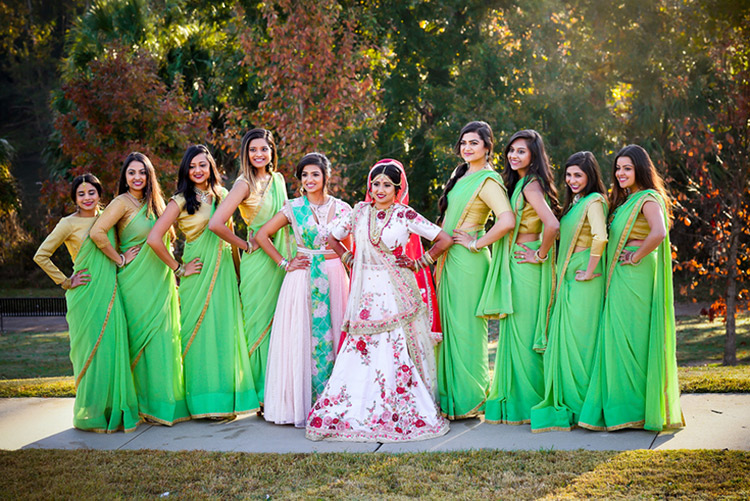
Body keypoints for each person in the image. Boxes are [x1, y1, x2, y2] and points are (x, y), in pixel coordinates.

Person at [306, 160, 452, 442]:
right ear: (369, 187)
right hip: (365, 294)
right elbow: (332, 238)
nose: (380, 189)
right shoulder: (359, 212)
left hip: (395, 292)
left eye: (387, 185)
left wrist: (420, 261)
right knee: (360, 350)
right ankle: (355, 409)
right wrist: (348, 258)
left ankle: (398, 412)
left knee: (394, 346)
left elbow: (443, 239)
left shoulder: (405, 214)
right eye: (376, 184)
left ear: (397, 189)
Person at [146, 145, 260, 419]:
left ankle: (222, 401)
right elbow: (154, 238)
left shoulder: (223, 195)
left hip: (223, 276)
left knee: (223, 334)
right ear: (186, 170)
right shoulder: (181, 200)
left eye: (203, 165)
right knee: (197, 337)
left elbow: (229, 235)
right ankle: (202, 404)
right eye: (192, 166)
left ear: (211, 167)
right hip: (198, 273)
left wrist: (238, 274)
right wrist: (178, 268)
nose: (198, 171)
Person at [578, 145, 684, 432]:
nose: (620, 173)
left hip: (634, 275)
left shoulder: (648, 198)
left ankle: (636, 409)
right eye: (618, 168)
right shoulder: (626, 200)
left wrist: (635, 256)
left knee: (632, 339)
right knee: (619, 339)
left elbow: (659, 232)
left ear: (640, 169)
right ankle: (624, 408)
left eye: (627, 168)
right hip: (621, 276)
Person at [34, 174, 140, 432]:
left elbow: (115, 246)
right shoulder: (67, 224)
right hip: (86, 294)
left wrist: (123, 258)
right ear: (74, 198)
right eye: (81, 194)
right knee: (90, 355)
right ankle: (90, 414)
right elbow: (41, 255)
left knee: (112, 351)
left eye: (91, 192)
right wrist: (66, 281)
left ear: (99, 194)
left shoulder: (108, 218)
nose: (87, 198)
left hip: (111, 292)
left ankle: (113, 410)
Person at [90, 152, 189, 425]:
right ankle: (139, 403)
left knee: (163, 340)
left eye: (142, 172)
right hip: (134, 281)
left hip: (161, 279)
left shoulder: (156, 203)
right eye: (131, 173)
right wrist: (119, 257)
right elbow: (97, 232)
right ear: (124, 176)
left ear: (149, 176)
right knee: (139, 342)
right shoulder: (121, 202)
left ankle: (162, 403)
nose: (137, 178)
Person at [255, 152, 351, 426]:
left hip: (334, 276)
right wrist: (285, 262)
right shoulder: (293, 208)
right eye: (304, 175)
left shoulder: (344, 209)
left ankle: (335, 402)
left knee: (337, 333)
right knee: (301, 337)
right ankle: (300, 406)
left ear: (326, 177)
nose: (309, 180)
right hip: (302, 278)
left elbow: (351, 248)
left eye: (315, 174)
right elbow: (262, 235)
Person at [434, 121, 516, 420]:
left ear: (487, 147)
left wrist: (476, 242)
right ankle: (449, 400)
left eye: (474, 143)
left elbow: (507, 220)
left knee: (467, 330)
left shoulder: (488, 180)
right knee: (448, 328)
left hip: (469, 262)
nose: (467, 148)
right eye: (463, 143)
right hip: (449, 258)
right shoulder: (461, 175)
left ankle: (470, 400)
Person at [209, 128, 292, 407]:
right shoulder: (244, 184)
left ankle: (279, 389)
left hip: (283, 259)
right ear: (246, 153)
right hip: (258, 265)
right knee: (258, 327)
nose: (259, 154)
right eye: (253, 149)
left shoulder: (278, 180)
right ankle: (260, 394)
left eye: (264, 149)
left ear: (272, 151)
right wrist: (244, 245)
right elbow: (216, 223)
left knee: (281, 324)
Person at [485, 129, 560, 425]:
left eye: (521, 151)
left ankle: (531, 403)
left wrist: (539, 255)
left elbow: (552, 225)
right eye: (511, 150)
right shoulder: (520, 183)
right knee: (515, 331)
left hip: (526, 263)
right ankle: (519, 403)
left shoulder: (530, 185)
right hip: (517, 262)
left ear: (533, 156)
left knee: (526, 333)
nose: (513, 156)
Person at [530, 151, 608, 432]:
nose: (572, 180)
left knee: (581, 343)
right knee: (567, 341)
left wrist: (589, 269)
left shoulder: (595, 201)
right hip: (569, 275)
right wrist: (536, 254)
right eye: (569, 174)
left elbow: (600, 236)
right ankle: (574, 407)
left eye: (578, 175)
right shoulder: (576, 204)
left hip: (585, 276)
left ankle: (585, 405)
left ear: (590, 176)